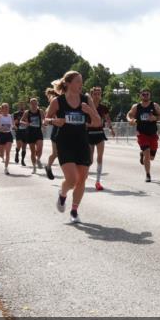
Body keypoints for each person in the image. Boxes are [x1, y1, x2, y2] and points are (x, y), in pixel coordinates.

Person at [45, 71, 100, 223]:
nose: (81, 84)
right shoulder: (58, 101)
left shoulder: (86, 99)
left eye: (81, 81)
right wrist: (53, 122)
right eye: (77, 81)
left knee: (82, 179)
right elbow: (45, 120)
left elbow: (97, 122)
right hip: (65, 142)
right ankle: (62, 194)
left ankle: (74, 211)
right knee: (72, 179)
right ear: (68, 83)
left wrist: (89, 111)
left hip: (82, 142)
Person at [127, 88, 160, 183]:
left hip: (153, 134)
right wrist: (130, 120)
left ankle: (142, 155)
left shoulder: (155, 106)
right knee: (147, 151)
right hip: (142, 134)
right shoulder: (136, 107)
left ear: (150, 95)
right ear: (140, 95)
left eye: (147, 94)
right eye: (143, 94)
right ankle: (148, 175)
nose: (145, 96)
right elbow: (129, 115)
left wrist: (156, 118)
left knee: (151, 157)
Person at [87, 87, 112, 190]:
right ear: (91, 95)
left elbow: (107, 118)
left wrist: (111, 128)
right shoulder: (87, 107)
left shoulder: (103, 107)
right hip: (89, 134)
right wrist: (89, 124)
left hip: (99, 133)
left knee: (100, 157)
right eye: (95, 94)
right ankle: (83, 177)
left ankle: (97, 182)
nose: (97, 96)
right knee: (90, 159)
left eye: (99, 94)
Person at [0, 103, 16, 174]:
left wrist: (14, 127)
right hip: (0, 135)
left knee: (8, 152)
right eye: (5, 108)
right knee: (2, 154)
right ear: (2, 109)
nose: (6, 109)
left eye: (7, 108)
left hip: (8, 134)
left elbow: (12, 125)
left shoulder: (10, 116)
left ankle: (6, 168)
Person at [23, 98, 45, 174]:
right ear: (30, 104)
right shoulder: (27, 112)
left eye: (35, 103)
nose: (34, 105)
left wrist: (44, 124)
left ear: (37, 104)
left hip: (38, 131)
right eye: (32, 103)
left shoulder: (40, 111)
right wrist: (26, 123)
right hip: (30, 132)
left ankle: (38, 159)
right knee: (32, 152)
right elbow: (21, 120)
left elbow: (44, 119)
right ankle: (34, 167)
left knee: (40, 147)